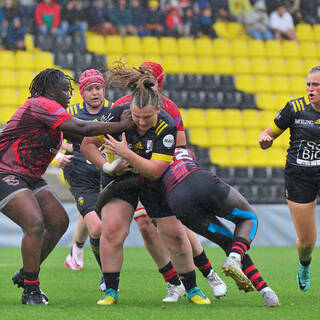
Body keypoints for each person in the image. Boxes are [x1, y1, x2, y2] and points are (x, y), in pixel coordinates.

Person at [81, 63, 211, 305]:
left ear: (159, 109)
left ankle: (192, 289)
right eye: (136, 116)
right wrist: (108, 166)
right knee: (112, 230)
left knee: (173, 233)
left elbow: (155, 170)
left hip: (153, 180)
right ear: (129, 107)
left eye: (147, 117)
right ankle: (111, 291)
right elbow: (87, 144)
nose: (140, 122)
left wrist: (125, 153)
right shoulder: (115, 114)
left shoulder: (167, 125)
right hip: (119, 179)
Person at [0, 68, 132, 305]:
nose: (70, 95)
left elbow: (83, 137)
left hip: (29, 176)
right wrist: (121, 124)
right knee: (34, 223)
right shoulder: (41, 103)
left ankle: (27, 272)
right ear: (50, 90)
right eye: (65, 90)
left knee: (59, 221)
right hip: (5, 172)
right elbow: (82, 128)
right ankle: (31, 289)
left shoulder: (52, 112)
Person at [99, 145, 280, 307]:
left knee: (227, 242)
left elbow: (115, 187)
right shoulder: (184, 150)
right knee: (248, 219)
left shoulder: (148, 165)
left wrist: (98, 207)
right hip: (203, 183)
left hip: (179, 200)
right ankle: (263, 289)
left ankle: (257, 284)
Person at [111, 61, 227, 303]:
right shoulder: (120, 107)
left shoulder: (169, 108)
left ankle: (207, 273)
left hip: (161, 174)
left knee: (178, 228)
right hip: (132, 176)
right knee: (144, 224)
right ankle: (173, 283)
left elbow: (180, 146)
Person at [259, 65, 320, 292]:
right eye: (308, 84)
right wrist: (265, 139)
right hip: (300, 177)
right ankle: (305, 264)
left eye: (316, 85)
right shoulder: (294, 108)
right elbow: (268, 134)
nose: (310, 89)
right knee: (306, 242)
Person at [56, 69, 113, 292]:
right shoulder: (70, 113)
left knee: (92, 217)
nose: (95, 92)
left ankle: (76, 249)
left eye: (98, 87)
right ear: (82, 92)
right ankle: (106, 275)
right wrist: (59, 156)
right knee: (97, 226)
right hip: (78, 171)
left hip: (108, 173)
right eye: (89, 89)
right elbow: (55, 138)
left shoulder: (114, 110)